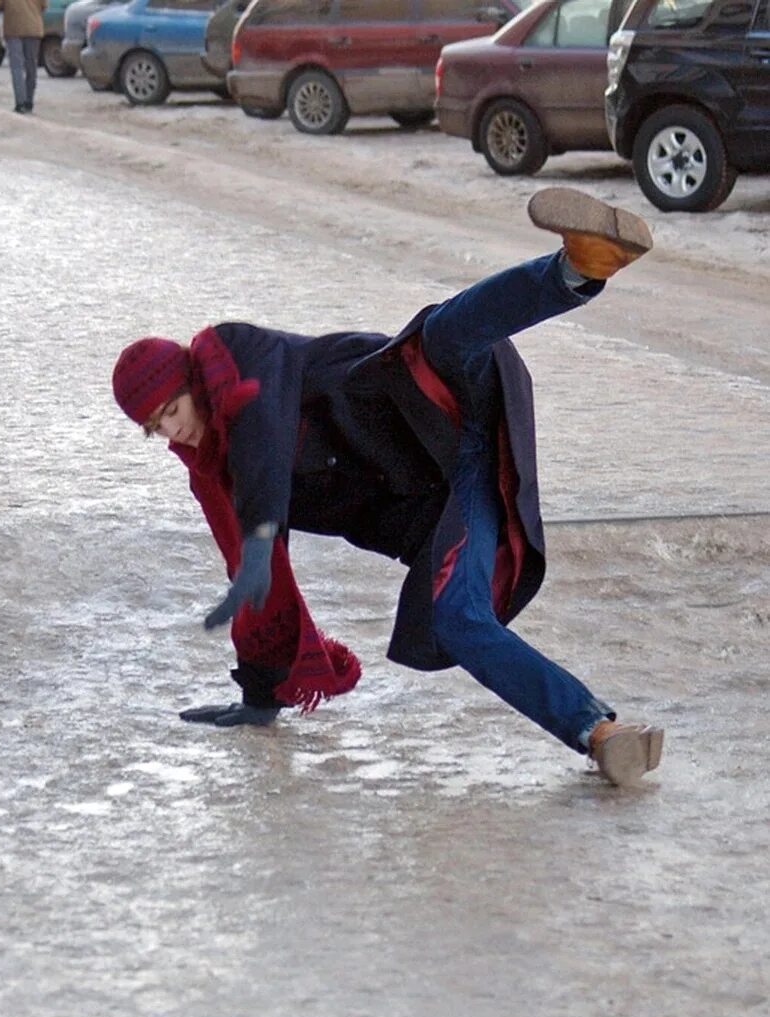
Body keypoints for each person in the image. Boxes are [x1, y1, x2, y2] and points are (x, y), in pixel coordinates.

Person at [112, 188, 665, 787]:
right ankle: (601, 734)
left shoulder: (236, 355)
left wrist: (259, 527)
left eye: (171, 409)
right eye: (154, 428)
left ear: (191, 379)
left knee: (443, 333)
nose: (171, 432)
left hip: (436, 404)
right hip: (454, 500)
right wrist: (260, 693)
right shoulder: (217, 476)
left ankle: (579, 267)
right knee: (457, 620)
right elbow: (254, 576)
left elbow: (262, 448)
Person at [0, 0, 46, 115]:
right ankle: (29, 102)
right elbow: (44, 5)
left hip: (13, 28)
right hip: (34, 28)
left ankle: (20, 103)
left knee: (17, 67)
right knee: (31, 66)